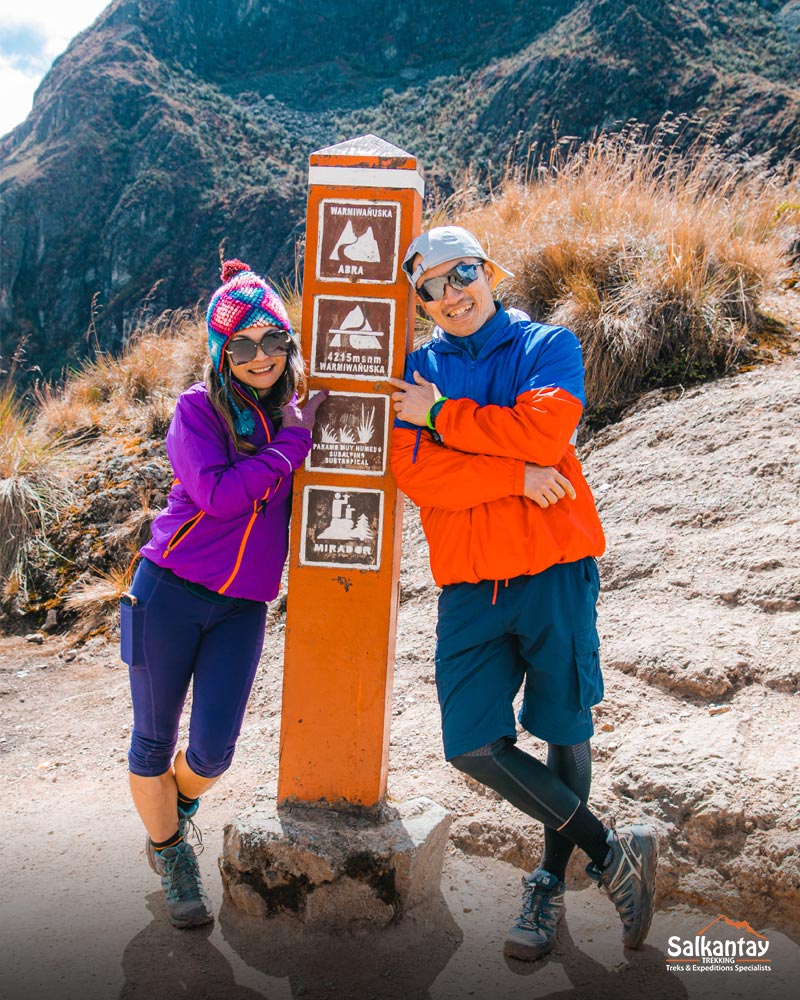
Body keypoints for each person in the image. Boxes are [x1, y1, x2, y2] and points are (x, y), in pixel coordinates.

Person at [388, 226, 657, 961]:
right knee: (471, 742)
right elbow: (418, 476)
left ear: (489, 272)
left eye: (463, 273)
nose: (452, 294)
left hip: (553, 569)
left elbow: (545, 436)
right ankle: (608, 851)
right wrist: (513, 476)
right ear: (420, 301)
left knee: (561, 726)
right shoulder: (413, 368)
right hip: (471, 585)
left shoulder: (548, 345)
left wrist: (441, 417)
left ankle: (547, 876)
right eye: (432, 287)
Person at [120, 259, 326, 928]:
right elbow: (219, 496)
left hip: (243, 607)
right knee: (153, 742)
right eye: (242, 344)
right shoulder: (195, 409)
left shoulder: (291, 412)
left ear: (288, 344)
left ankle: (171, 814)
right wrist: (294, 443)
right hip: (169, 595)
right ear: (222, 352)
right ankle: (173, 855)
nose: (260, 356)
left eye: (272, 341)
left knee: (213, 751)